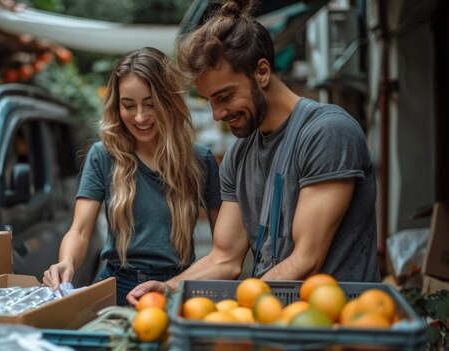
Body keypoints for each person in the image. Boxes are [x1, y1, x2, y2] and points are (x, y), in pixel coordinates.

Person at [126, 0, 380, 306]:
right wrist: (169, 287)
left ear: (261, 71)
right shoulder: (238, 156)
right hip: (272, 320)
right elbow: (225, 258)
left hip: (338, 324)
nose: (217, 113)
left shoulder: (327, 132)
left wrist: (238, 307)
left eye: (225, 96)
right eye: (209, 100)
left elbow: (306, 261)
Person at [43, 47, 221, 306]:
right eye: (128, 105)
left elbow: (224, 249)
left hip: (175, 288)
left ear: (169, 101)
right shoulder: (102, 156)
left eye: (150, 104)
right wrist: (67, 261)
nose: (139, 117)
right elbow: (80, 230)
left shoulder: (200, 160)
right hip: (114, 287)